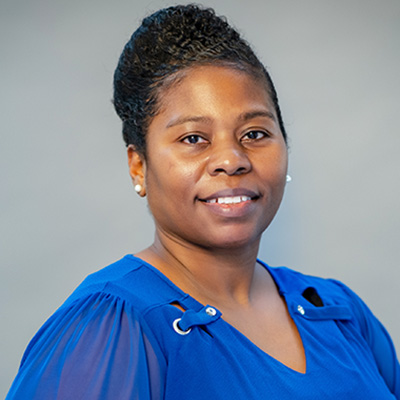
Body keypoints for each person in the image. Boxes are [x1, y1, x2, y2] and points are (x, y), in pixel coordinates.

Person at [6, 4, 400, 399]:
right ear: (139, 166)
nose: (233, 160)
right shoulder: (112, 327)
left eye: (255, 133)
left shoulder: (340, 312)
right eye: (194, 138)